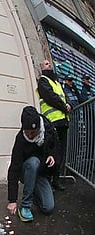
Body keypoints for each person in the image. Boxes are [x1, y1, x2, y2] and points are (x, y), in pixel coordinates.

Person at [7, 106, 57, 222]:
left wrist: (52, 155)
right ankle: (25, 205)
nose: (30, 136)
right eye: (27, 132)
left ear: (39, 127)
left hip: (40, 173)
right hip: (26, 171)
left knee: (48, 208)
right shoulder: (20, 139)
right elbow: (14, 168)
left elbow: (55, 146)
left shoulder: (49, 130)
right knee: (33, 162)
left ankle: (34, 192)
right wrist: (12, 200)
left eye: (33, 132)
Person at [37, 59, 70, 191]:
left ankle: (56, 179)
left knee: (60, 152)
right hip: (52, 122)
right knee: (52, 151)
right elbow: (50, 97)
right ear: (41, 68)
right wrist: (64, 106)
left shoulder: (57, 82)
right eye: (46, 64)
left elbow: (64, 97)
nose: (49, 64)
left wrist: (68, 105)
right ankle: (49, 180)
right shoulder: (43, 80)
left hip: (62, 121)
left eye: (49, 63)